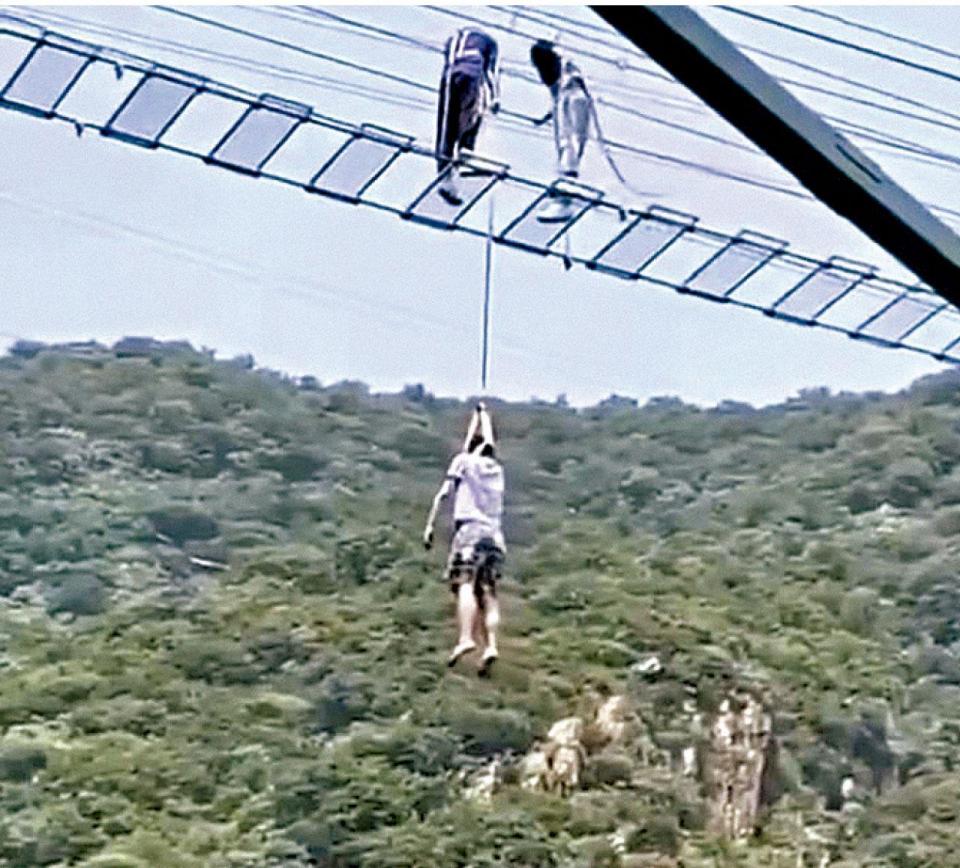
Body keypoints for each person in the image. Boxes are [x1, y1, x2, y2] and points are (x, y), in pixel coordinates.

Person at [423, 403, 505, 676]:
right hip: (494, 538)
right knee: (489, 593)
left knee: (466, 586)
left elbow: (443, 495)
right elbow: (487, 444)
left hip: (469, 532)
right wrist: (482, 416)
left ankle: (466, 638)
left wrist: (430, 526)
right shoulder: (495, 470)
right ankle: (491, 645)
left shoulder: (463, 462)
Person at [435, 27, 502, 206]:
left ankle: (447, 172)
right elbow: (491, 73)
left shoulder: (454, 38)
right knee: (477, 112)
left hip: (452, 75)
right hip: (471, 74)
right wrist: (496, 97)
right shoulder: (490, 43)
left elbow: (449, 61)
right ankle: (465, 153)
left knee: (447, 124)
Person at [530, 39, 593, 223]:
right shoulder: (560, 79)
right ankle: (564, 188)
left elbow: (570, 101)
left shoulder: (567, 78)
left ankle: (566, 194)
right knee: (566, 143)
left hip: (573, 100)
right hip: (568, 99)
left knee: (569, 143)